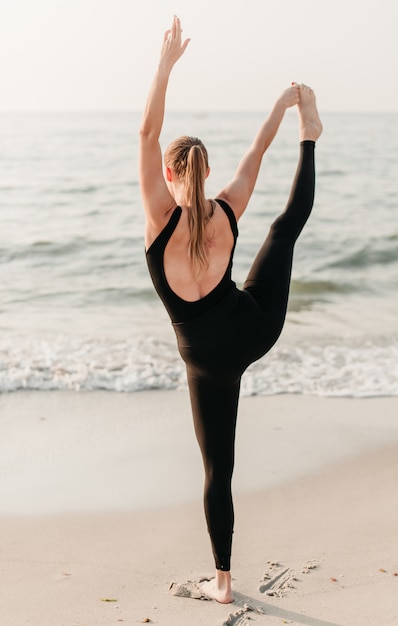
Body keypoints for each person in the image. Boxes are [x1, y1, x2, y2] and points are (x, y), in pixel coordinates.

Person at [139, 16, 322, 604]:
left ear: (169, 175)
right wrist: (286, 109)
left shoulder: (158, 221)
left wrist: (165, 66)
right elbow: (257, 149)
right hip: (254, 330)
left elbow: (147, 134)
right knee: (284, 231)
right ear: (206, 171)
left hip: (206, 367)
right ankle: (314, 138)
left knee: (218, 469)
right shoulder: (227, 210)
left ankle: (221, 582)